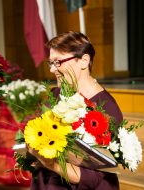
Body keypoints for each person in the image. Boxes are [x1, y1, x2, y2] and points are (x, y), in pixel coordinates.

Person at [29, 31, 123, 190]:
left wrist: (47, 161)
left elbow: (94, 178)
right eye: (50, 63)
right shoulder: (55, 94)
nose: (52, 69)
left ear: (84, 61)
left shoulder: (107, 108)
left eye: (58, 62)